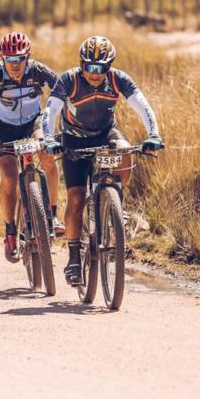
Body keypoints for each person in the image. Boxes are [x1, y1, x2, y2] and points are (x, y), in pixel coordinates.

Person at [42, 35, 164, 284]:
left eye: (100, 68)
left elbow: (142, 106)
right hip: (74, 138)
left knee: (126, 149)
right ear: (81, 64)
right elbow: (50, 110)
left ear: (109, 66)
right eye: (89, 67)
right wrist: (49, 139)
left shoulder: (118, 79)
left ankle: (116, 201)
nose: (94, 73)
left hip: (105, 133)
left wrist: (153, 133)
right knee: (76, 198)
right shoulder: (69, 80)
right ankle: (73, 259)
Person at [0, 31, 63, 261]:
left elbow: (65, 94)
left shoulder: (38, 71)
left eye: (19, 59)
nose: (15, 64)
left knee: (47, 154)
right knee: (9, 174)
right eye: (9, 60)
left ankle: (52, 215)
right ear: (2, 58)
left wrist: (69, 127)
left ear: (28, 57)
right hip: (2, 128)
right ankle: (10, 232)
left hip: (32, 123)